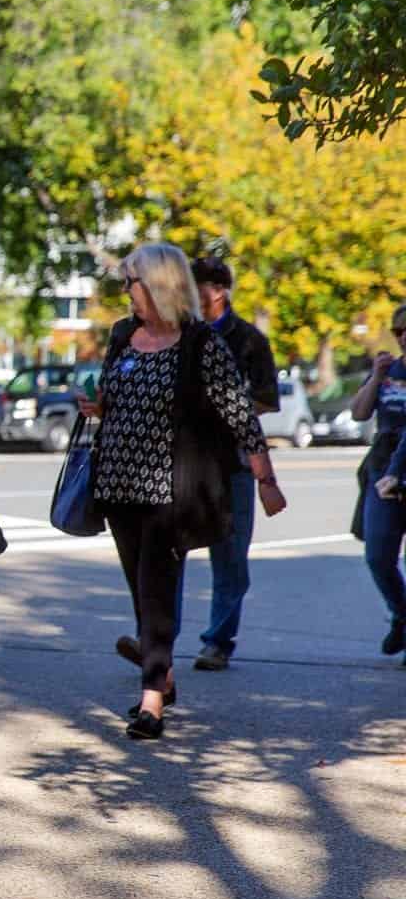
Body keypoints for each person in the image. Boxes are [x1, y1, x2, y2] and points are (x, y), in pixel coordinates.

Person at [78, 243, 286, 740]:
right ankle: (163, 670)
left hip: (173, 488)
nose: (126, 292)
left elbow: (240, 413)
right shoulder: (124, 335)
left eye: (131, 282)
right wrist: (98, 407)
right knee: (141, 589)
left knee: (157, 586)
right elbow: (114, 398)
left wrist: (266, 480)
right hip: (118, 483)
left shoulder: (198, 343)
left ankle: (151, 700)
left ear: (158, 285)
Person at [165, 255, 280, 672]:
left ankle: (218, 641)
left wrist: (225, 408)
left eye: (194, 286)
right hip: (182, 462)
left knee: (230, 558)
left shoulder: (248, 339)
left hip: (232, 462)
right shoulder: (177, 334)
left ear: (217, 290)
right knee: (169, 554)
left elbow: (267, 397)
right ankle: (159, 639)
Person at [354, 303, 406, 660]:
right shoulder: (390, 372)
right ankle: (402, 614)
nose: (404, 337)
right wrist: (375, 376)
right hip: (383, 469)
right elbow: (359, 412)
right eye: (400, 331)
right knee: (377, 555)